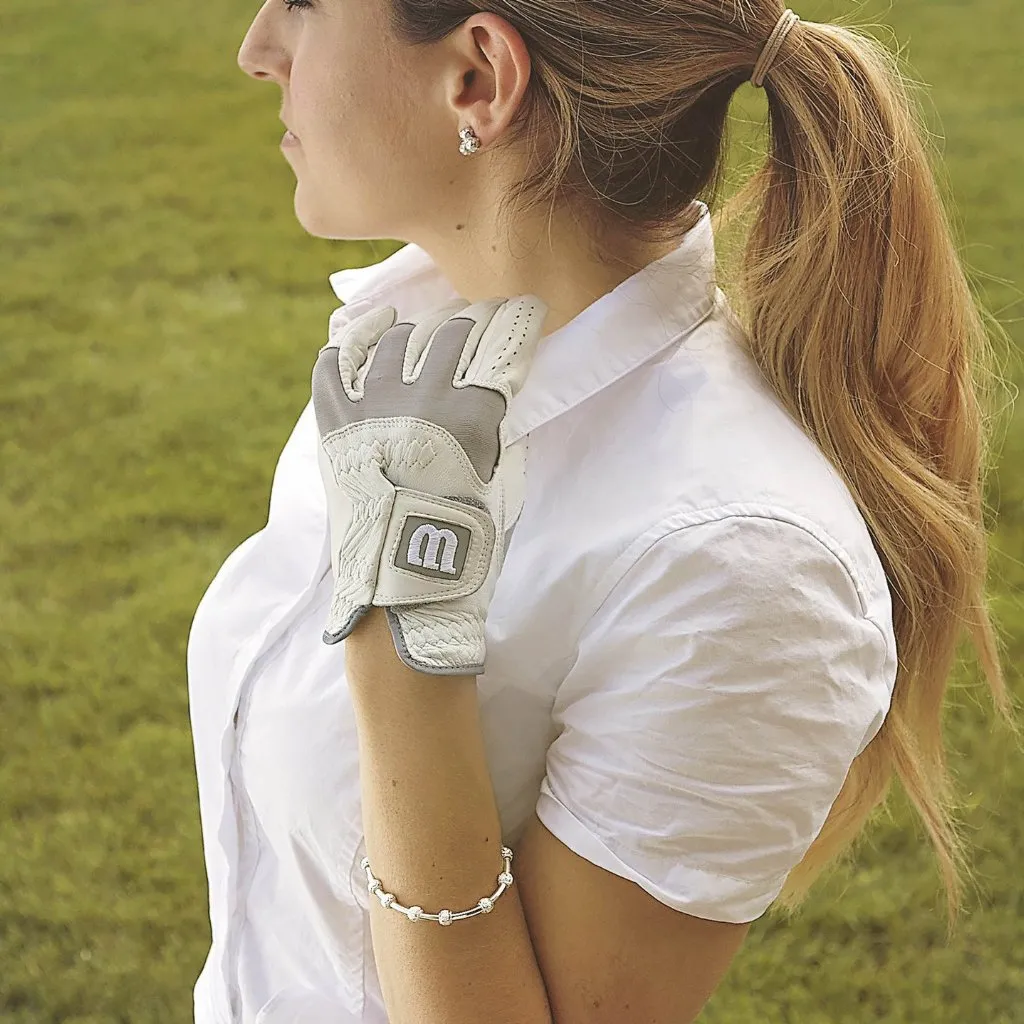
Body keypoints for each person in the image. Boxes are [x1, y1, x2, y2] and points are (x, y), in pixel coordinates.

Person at [188, 2, 1015, 1022]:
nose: (257, 50)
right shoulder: (413, 345)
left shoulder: (737, 563)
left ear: (477, 79)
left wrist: (402, 669)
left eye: (303, 8)